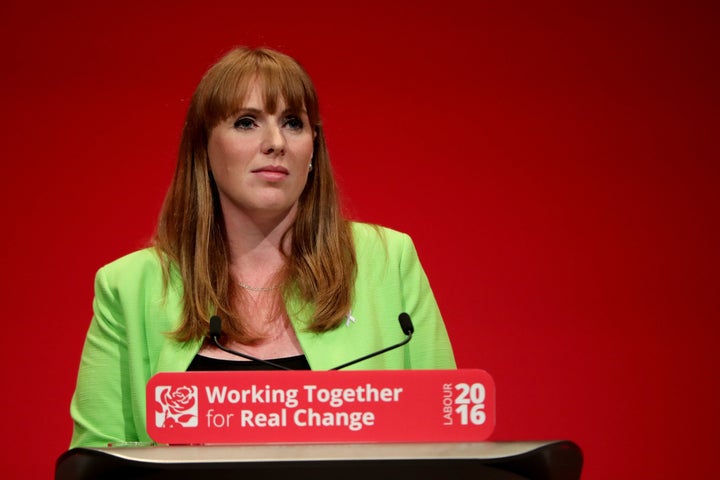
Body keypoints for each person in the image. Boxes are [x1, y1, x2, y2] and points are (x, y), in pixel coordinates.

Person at [69, 47, 455, 448]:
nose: (275, 143)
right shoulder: (130, 286)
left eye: (292, 122)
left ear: (312, 148)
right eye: (247, 122)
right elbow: (98, 459)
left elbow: (446, 438)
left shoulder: (388, 260)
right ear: (204, 146)